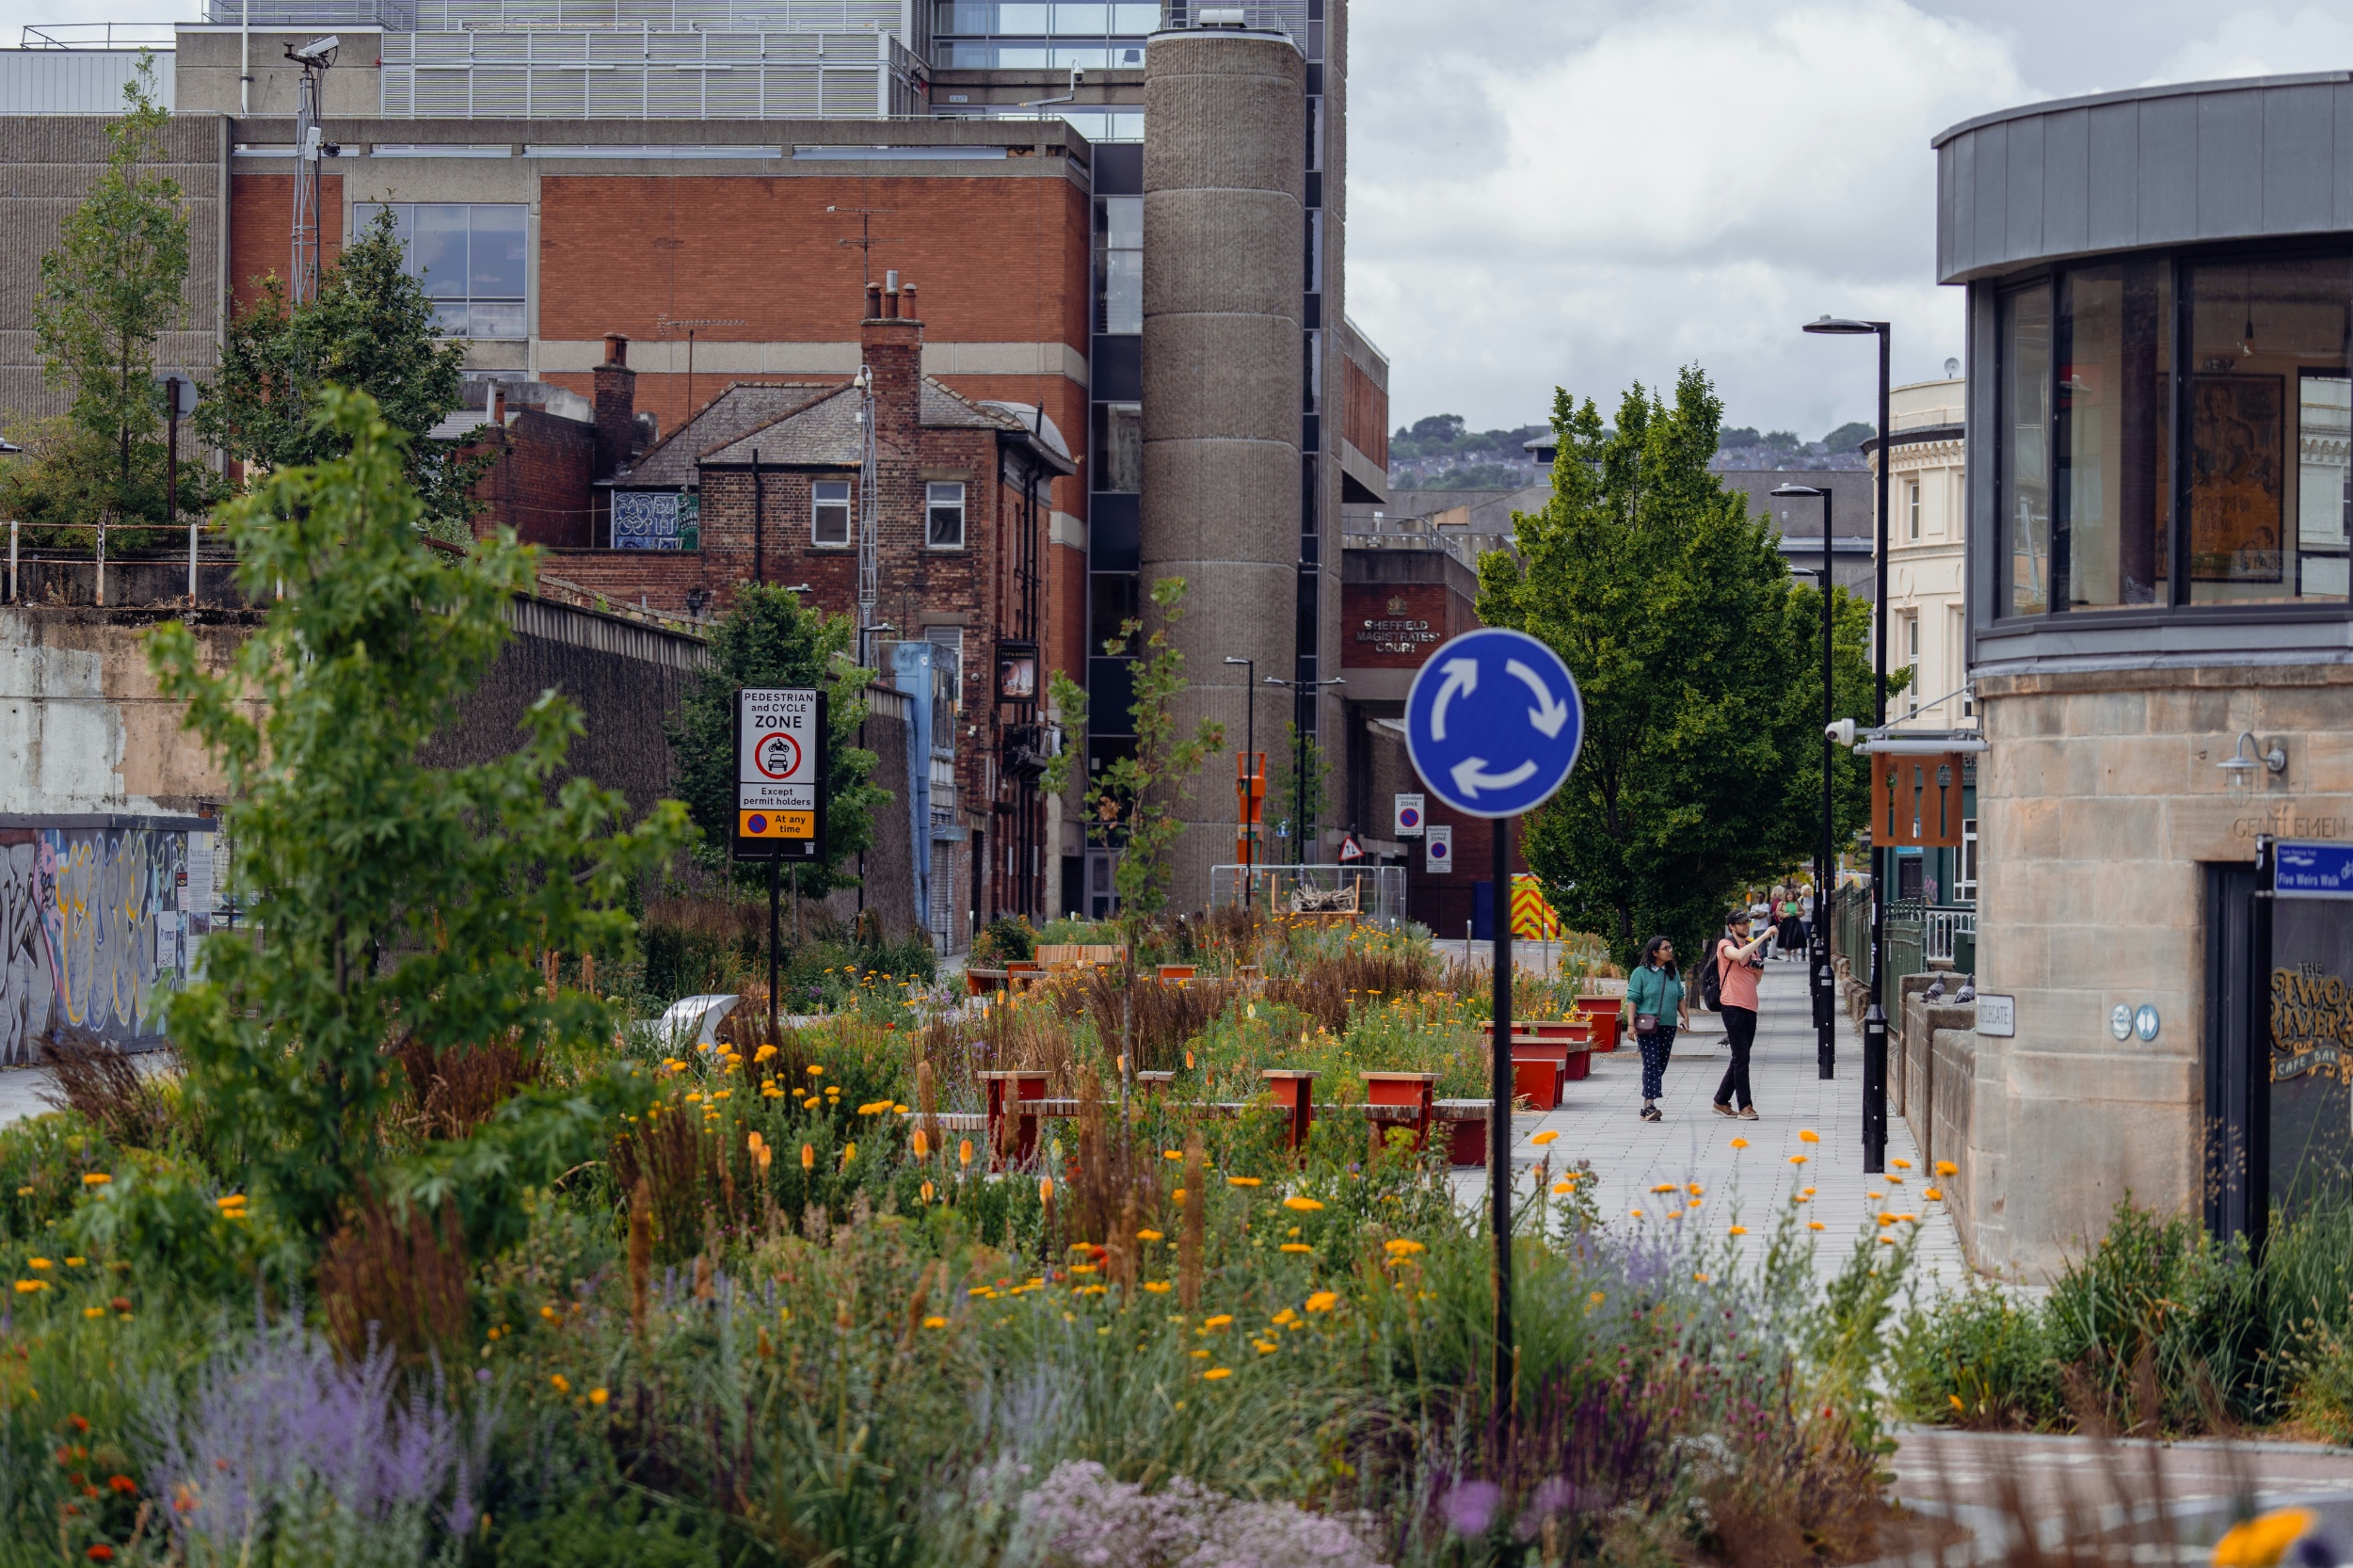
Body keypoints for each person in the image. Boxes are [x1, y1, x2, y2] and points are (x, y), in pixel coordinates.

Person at [1712, 907, 1771, 1119]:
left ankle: (1720, 1100)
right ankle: (1745, 1106)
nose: (1746, 926)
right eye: (1742, 923)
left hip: (1750, 1006)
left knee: (1740, 1057)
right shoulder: (1725, 944)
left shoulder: (1751, 948)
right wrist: (1763, 936)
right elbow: (1737, 956)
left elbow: (1755, 979)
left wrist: (1759, 967)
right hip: (1732, 1006)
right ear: (1732, 927)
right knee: (1742, 1056)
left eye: (1747, 922)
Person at [1627, 935, 1689, 1123]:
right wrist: (1630, 1024)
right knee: (1652, 1063)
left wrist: (1685, 1016)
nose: (1670, 951)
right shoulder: (1640, 973)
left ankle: (1646, 1107)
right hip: (1647, 1025)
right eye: (1666, 948)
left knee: (1660, 1064)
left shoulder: (1673, 973)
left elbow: (1679, 996)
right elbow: (1632, 998)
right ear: (1654, 952)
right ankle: (1650, 1104)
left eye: (1670, 947)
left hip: (1668, 1025)